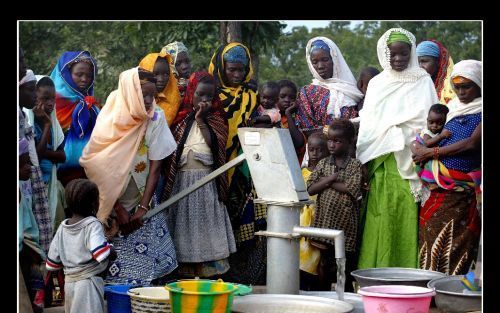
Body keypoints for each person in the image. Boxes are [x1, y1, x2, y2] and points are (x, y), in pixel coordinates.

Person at [80, 67, 178, 285]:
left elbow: (155, 166)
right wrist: (118, 209)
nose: (149, 100)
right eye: (143, 94)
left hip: (142, 200)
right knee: (109, 268)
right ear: (130, 92)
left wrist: (143, 208)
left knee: (145, 271)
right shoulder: (113, 113)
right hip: (112, 202)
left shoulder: (156, 116)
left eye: (152, 95)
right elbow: (96, 163)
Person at [356, 28, 438, 269]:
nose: (399, 60)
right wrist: (389, 135)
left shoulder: (423, 80)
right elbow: (369, 125)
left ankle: (408, 276)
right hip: (381, 161)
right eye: (393, 55)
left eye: (404, 55)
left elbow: (430, 120)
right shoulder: (378, 84)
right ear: (384, 54)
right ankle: (375, 274)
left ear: (411, 53)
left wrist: (404, 135)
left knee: (407, 218)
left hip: (413, 161)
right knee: (380, 218)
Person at [163, 72, 236, 278]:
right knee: (182, 230)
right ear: (190, 94)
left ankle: (209, 277)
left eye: (209, 97)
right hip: (181, 187)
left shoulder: (217, 119)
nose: (204, 100)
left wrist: (201, 120)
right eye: (200, 95)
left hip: (206, 185)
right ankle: (185, 276)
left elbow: (216, 149)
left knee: (206, 230)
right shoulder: (178, 120)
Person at [412, 60, 481, 275]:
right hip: (436, 188)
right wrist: (418, 146)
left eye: (466, 86)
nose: (461, 92)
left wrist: (430, 153)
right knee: (429, 235)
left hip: (460, 189)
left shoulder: (481, 110)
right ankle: (429, 287)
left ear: (479, 84)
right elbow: (429, 133)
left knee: (457, 240)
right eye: (457, 86)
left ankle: (451, 289)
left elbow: (472, 143)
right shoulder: (451, 108)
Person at [208, 42, 263, 284]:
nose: (237, 75)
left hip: (243, 168)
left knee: (242, 221)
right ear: (221, 68)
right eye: (231, 70)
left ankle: (240, 273)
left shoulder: (251, 95)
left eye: (241, 70)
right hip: (215, 165)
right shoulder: (210, 95)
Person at [307, 119, 362, 292]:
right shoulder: (323, 163)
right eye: (330, 140)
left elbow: (351, 188)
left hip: (346, 226)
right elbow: (310, 189)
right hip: (324, 223)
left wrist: (326, 182)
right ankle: (324, 299)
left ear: (349, 142)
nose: (332, 144)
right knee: (324, 263)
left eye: (337, 141)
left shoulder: (355, 165)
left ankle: (345, 298)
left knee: (343, 265)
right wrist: (330, 179)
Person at [46, 179, 113, 313]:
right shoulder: (92, 224)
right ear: (94, 204)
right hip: (88, 285)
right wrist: (111, 249)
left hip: (69, 284)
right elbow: (101, 254)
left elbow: (51, 264)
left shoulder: (63, 227)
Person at [296, 37, 364, 137]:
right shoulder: (307, 93)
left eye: (325, 60)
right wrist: (336, 132)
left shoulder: (353, 89)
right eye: (314, 62)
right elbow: (307, 130)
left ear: (335, 60)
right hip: (319, 150)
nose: (320, 66)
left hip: (352, 149)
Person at [50, 51, 99, 186]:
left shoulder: (91, 105)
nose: (84, 79)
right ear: (66, 74)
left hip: (89, 173)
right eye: (79, 75)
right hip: (57, 174)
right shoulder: (52, 103)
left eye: (89, 76)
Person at [24, 76, 67, 230]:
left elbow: (63, 156)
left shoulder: (55, 125)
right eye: (45, 98)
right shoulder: (27, 124)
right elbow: (36, 158)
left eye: (53, 99)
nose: (51, 103)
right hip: (32, 187)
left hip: (50, 183)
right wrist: (46, 125)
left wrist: (41, 150)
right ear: (35, 98)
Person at [299, 132, 329, 291]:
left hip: (318, 224)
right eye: (312, 149)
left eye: (320, 150)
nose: (315, 154)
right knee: (300, 262)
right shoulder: (302, 172)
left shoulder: (327, 173)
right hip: (301, 223)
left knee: (318, 262)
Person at [139, 52, 182, 127]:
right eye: (156, 74)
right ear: (145, 72)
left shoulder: (174, 99)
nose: (161, 79)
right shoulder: (133, 98)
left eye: (166, 74)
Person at [416, 40, 456, 104]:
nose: (420, 66)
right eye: (417, 62)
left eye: (424, 61)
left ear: (438, 62)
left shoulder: (452, 85)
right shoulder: (414, 84)